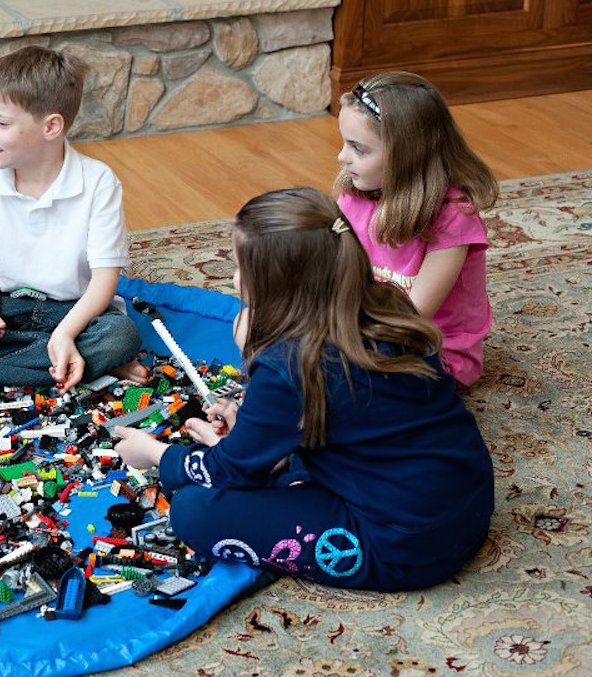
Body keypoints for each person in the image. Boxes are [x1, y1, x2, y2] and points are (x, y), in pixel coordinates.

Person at [114, 188, 493, 592]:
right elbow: (352, 415)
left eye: (243, 269)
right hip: (466, 502)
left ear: (276, 288)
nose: (234, 278)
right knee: (271, 462)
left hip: (402, 545)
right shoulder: (387, 305)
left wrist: (156, 454)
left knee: (192, 511)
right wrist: (249, 433)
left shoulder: (290, 364)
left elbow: (227, 471)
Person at [0, 46, 145, 401]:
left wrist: (66, 333)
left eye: (1, 123)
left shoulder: (98, 182)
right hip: (9, 306)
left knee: (120, 336)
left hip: (77, 311)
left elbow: (104, 282)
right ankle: (86, 361)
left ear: (51, 126)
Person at [336, 71, 497, 387]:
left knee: (338, 381)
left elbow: (414, 316)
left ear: (406, 154)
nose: (342, 156)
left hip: (432, 350)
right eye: (343, 142)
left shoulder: (453, 217)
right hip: (364, 327)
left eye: (358, 148)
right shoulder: (355, 194)